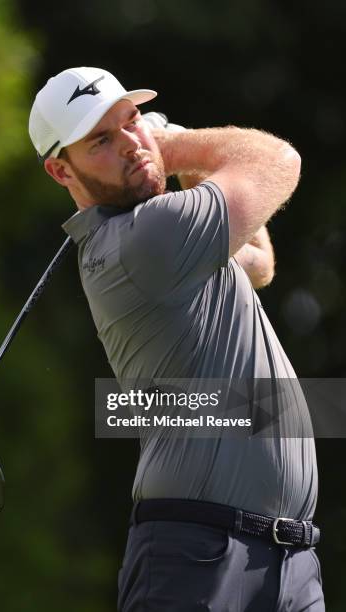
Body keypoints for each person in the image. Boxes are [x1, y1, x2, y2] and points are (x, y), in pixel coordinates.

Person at [29, 67, 324, 611]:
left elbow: (258, 263)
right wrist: (171, 145)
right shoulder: (146, 239)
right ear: (59, 169)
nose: (130, 144)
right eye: (101, 140)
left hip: (288, 557)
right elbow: (280, 162)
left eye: (131, 120)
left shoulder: (172, 237)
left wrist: (171, 161)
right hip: (200, 553)